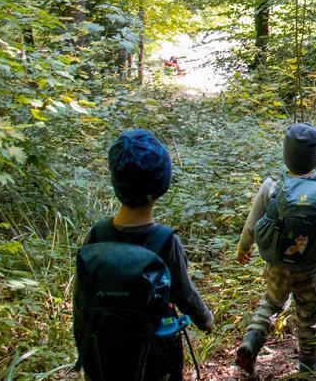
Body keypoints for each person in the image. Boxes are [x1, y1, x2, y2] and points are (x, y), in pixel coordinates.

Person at [73, 129, 214, 381]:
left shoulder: (97, 234)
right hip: (154, 356)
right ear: (162, 183)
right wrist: (206, 320)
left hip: (102, 355)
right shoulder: (166, 240)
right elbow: (185, 294)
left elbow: (81, 302)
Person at [235, 123, 316, 376]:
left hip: (277, 265)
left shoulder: (271, 187)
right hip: (311, 269)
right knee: (309, 318)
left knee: (272, 303)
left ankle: (251, 341)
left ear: (286, 154)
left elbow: (252, 225)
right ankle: (308, 366)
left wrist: (243, 248)